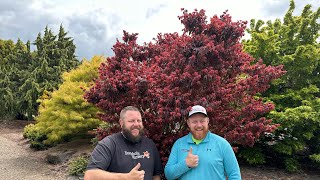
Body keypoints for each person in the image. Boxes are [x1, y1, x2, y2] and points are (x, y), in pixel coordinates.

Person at [84, 106, 163, 180]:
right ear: (121, 123)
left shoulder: (149, 144)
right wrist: (126, 177)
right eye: (131, 121)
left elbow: (156, 175)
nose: (136, 124)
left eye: (139, 121)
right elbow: (89, 175)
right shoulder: (109, 144)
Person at [164, 105, 241, 180]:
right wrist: (185, 164)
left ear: (207, 121)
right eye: (194, 121)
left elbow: (234, 175)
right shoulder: (179, 144)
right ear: (188, 123)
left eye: (202, 121)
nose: (199, 125)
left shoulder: (222, 144)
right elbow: (168, 175)